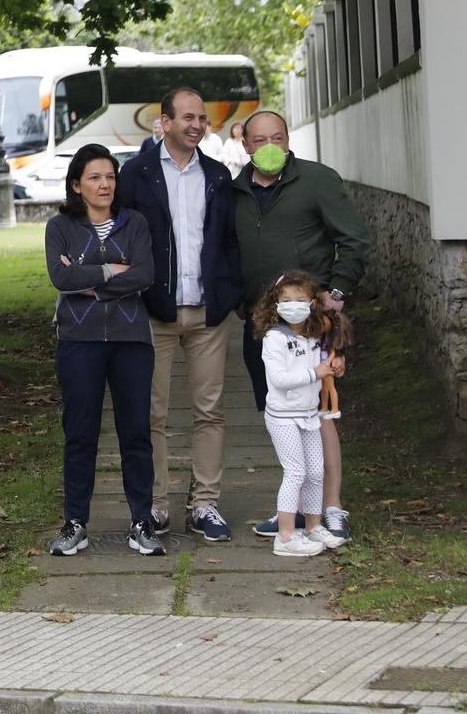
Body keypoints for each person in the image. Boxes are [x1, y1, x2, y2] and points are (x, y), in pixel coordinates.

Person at [229, 110, 371, 543]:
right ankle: (294, 507)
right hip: (262, 323)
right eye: (259, 139)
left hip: (311, 324)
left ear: (288, 139)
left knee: (320, 414)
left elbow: (354, 240)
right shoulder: (235, 191)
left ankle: (331, 508)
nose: (268, 146)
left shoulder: (316, 180)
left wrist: (338, 291)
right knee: (282, 415)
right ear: (245, 144)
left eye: (277, 137)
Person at [114, 88, 242, 542]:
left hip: (208, 313)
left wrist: (227, 294)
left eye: (202, 118)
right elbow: (121, 236)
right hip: (156, 314)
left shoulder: (217, 176)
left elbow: (228, 240)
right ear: (164, 122)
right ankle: (156, 505)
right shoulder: (136, 174)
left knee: (211, 411)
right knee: (154, 414)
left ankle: (205, 504)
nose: (196, 125)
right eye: (187, 117)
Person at [43, 143, 164, 559]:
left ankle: (141, 521)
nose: (105, 184)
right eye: (94, 177)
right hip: (79, 342)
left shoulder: (135, 223)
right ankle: (76, 522)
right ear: (77, 184)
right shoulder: (59, 226)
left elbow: (146, 273)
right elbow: (61, 276)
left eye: (110, 176)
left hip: (132, 341)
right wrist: (114, 270)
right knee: (80, 434)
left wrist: (88, 282)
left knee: (136, 434)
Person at [255, 271, 350, 557]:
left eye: (300, 299)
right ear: (275, 304)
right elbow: (280, 379)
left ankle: (312, 526)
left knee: (315, 472)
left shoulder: (312, 336)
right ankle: (285, 535)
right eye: (286, 300)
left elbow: (324, 361)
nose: (294, 304)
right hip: (283, 417)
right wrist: (315, 373)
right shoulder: (274, 338)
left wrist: (332, 366)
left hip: (309, 414)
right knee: (295, 472)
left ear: (311, 303)